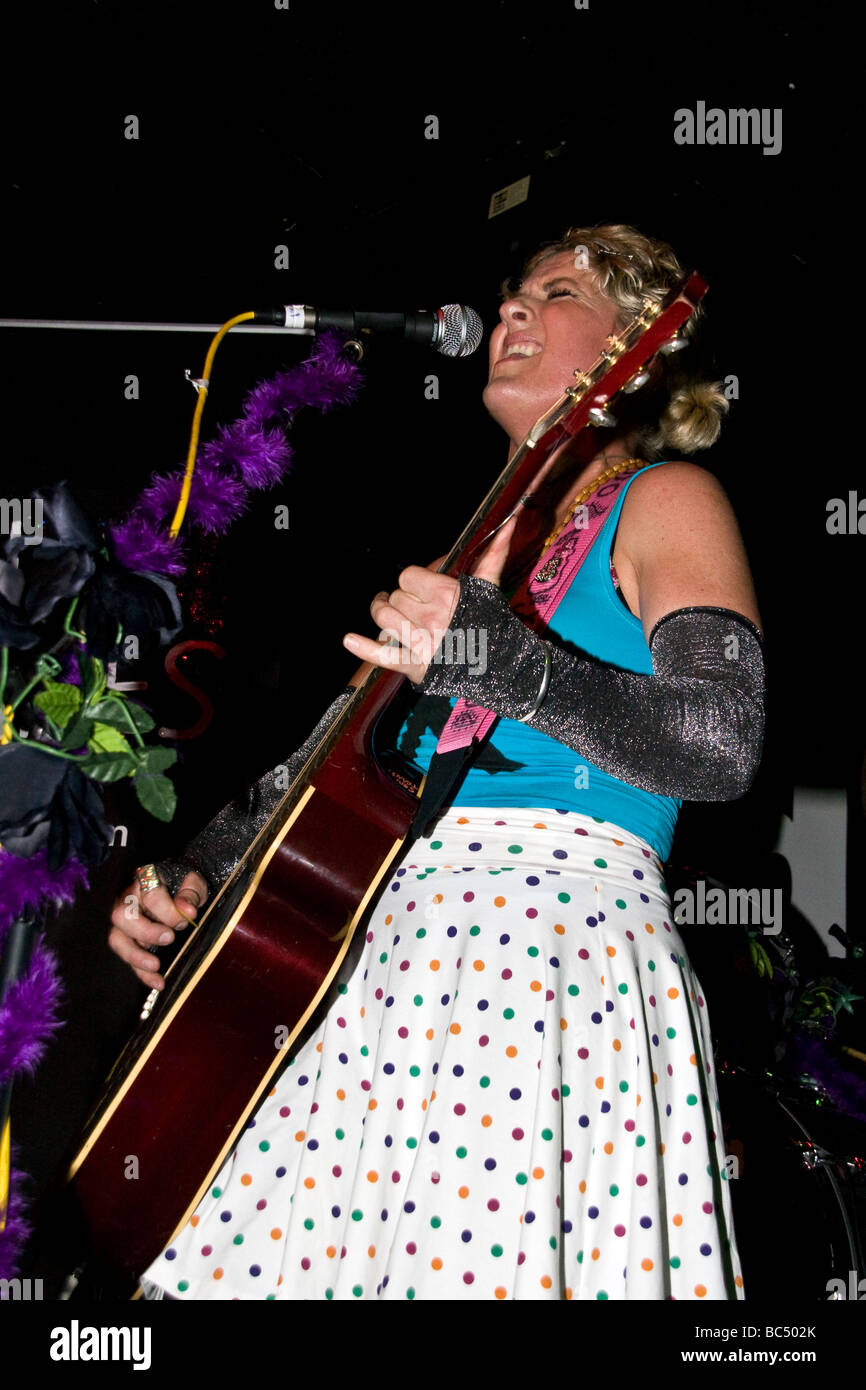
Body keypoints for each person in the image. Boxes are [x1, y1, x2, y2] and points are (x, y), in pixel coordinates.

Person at [108, 223, 765, 1301]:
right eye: (509, 292)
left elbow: (719, 736)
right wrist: (197, 876)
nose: (509, 309)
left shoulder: (664, 498)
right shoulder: (468, 555)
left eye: (555, 293)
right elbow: (310, 779)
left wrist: (497, 658)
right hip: (385, 975)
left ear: (633, 349)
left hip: (544, 954)